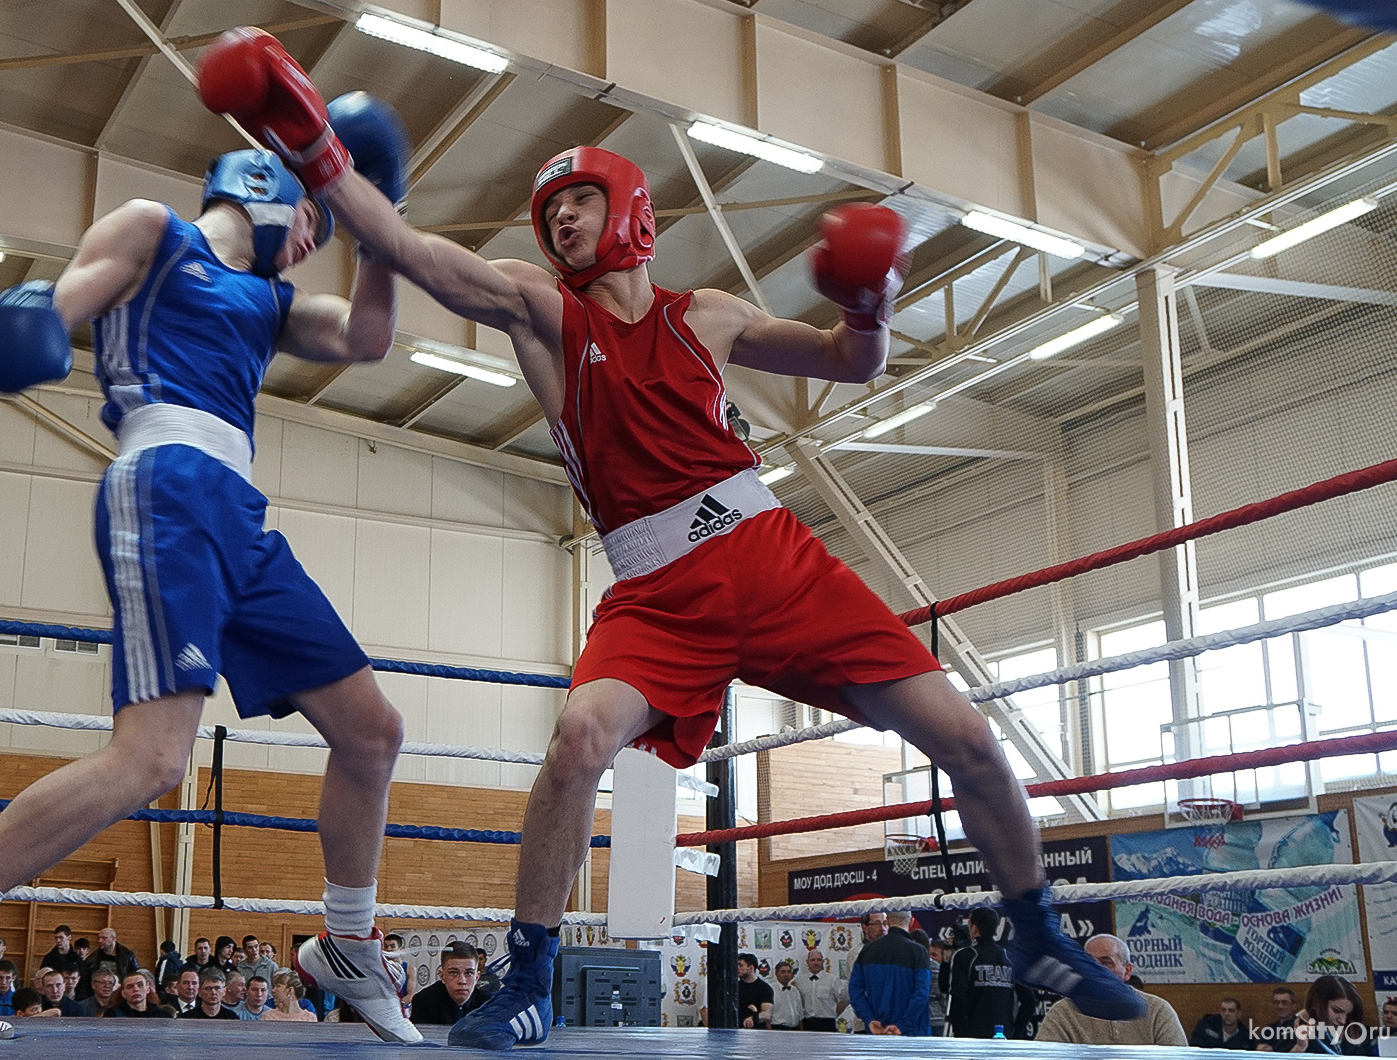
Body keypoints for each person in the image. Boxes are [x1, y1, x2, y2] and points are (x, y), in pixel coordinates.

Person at [190, 24, 1149, 1050]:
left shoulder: (715, 317)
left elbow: (850, 360)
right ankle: (528, 975)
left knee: (962, 733)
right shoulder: (539, 309)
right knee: (576, 741)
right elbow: (416, 256)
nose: (560, 219)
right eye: (548, 210)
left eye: (578, 199)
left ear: (631, 207)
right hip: (655, 591)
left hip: (776, 558)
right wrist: (318, 154)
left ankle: (1040, 926)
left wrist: (872, 297)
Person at [0, 140, 416, 1046]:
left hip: (238, 512)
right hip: (167, 487)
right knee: (151, 759)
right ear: (267, 190)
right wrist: (33, 325)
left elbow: (366, 339)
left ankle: (347, 942)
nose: (318, 232)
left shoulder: (274, 303)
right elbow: (58, 304)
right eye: (316, 212)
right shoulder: (157, 232)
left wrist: (380, 228)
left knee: (372, 731)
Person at [1034, 935, 1182, 1046]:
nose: (1096, 970)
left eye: (1106, 963)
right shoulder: (1062, 1012)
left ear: (1127, 971)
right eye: (1090, 963)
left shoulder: (1158, 1011)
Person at [848, 911, 929, 1036]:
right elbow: (921, 994)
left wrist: (869, 1019)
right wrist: (902, 1026)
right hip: (913, 1035)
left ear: (888, 922)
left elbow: (854, 991)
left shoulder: (867, 950)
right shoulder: (919, 952)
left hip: (877, 1033)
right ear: (912, 921)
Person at [948, 908, 1015, 1039]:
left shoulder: (966, 956)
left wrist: (961, 1036)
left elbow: (958, 998)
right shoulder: (1010, 958)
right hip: (1004, 1035)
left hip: (973, 1037)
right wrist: (1015, 1032)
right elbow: (1028, 1001)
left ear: (974, 928)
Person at [411, 942, 492, 1025]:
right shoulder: (425, 1001)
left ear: (477, 978)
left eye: (469, 973)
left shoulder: (488, 1004)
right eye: (453, 973)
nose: (462, 981)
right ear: (442, 976)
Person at [800, 951, 847, 1032]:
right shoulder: (800, 981)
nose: (816, 962)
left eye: (819, 960)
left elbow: (844, 1000)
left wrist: (834, 1013)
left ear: (823, 962)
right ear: (807, 962)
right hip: (807, 1023)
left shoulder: (832, 979)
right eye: (813, 960)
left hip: (827, 1023)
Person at [105, 970, 170, 1018]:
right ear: (123, 993)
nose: (135, 989)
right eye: (129, 986)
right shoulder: (113, 1015)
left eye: (140, 985)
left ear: (147, 989)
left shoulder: (162, 1015)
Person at [736, 952, 775, 1029]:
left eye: (740, 965)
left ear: (751, 968)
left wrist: (753, 1018)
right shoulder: (735, 987)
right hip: (737, 1030)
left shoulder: (765, 988)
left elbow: (767, 1014)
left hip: (757, 1033)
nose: (737, 968)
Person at [769, 955, 805, 1030]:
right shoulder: (770, 990)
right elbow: (767, 1015)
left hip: (795, 1030)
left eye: (788, 972)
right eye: (783, 972)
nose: (786, 974)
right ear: (776, 973)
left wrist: (801, 1031)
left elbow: (800, 1013)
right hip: (778, 1029)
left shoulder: (794, 990)